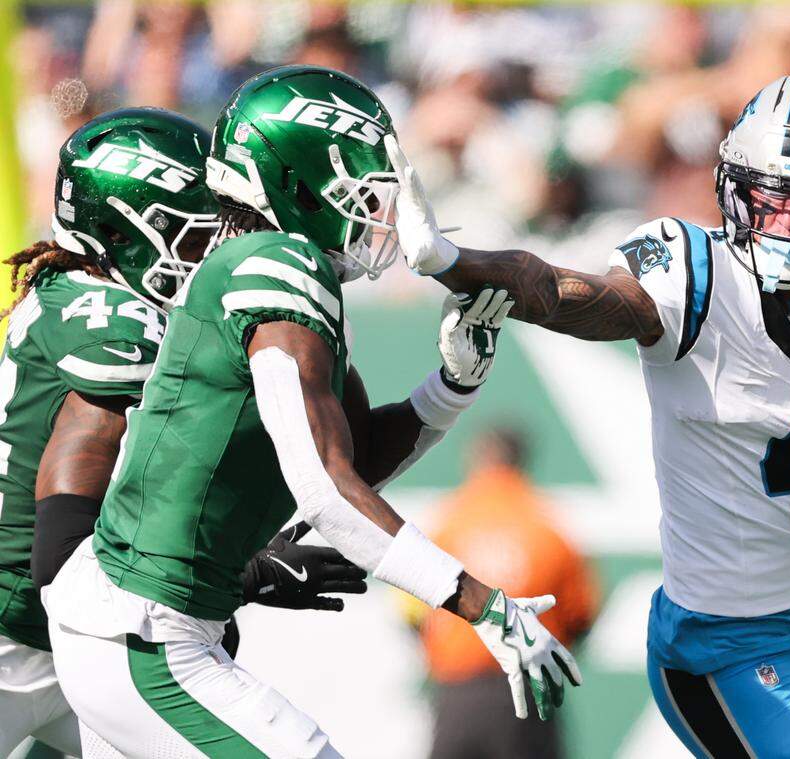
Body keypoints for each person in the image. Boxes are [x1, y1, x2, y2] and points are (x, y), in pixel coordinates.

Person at [394, 71, 790, 758]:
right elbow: (572, 294)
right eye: (764, 199)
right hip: (720, 649)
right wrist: (456, 262)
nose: (781, 225)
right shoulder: (693, 271)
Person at [42, 66, 580, 758]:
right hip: (143, 630)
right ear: (295, 184)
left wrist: (451, 384)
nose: (376, 205)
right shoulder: (275, 263)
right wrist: (483, 606)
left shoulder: (275, 268)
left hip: (147, 627)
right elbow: (327, 491)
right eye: (357, 180)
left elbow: (352, 459)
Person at [0, 107, 378, 758]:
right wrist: (249, 572)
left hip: (70, 636)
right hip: (25, 622)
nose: (211, 243)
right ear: (117, 233)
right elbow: (61, 550)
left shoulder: (95, 288)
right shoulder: (111, 315)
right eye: (187, 227)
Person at [412, 426, 599, 759]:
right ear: (522, 460)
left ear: (474, 459)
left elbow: (410, 612)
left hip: (458, 694)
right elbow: (581, 614)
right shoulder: (549, 527)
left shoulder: (445, 523)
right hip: (528, 690)